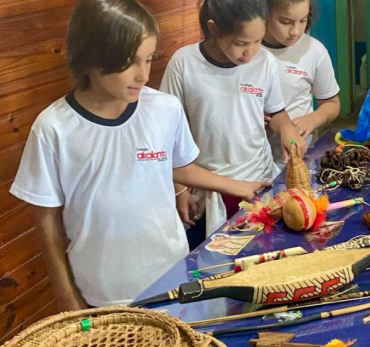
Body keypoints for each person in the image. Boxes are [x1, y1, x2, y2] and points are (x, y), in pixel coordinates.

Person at [9, 0, 268, 309]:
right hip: (104, 292)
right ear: (92, 56)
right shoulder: (53, 128)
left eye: (149, 60)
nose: (143, 75)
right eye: (130, 62)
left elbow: (178, 166)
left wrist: (239, 187)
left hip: (172, 274)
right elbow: (46, 220)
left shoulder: (164, 109)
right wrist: (66, 295)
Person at [161, 0, 306, 247]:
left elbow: (277, 112)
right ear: (214, 29)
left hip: (260, 184)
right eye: (240, 43)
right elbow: (166, 137)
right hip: (209, 190)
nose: (250, 52)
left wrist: (287, 130)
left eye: (258, 41)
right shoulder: (184, 64)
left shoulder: (265, 62)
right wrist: (180, 190)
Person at [263, 0, 341, 168]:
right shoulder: (246, 51)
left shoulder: (314, 51)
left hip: (303, 158)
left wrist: (312, 120)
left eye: (303, 20)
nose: (295, 31)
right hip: (256, 163)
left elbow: (332, 104)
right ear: (265, 12)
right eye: (285, 21)